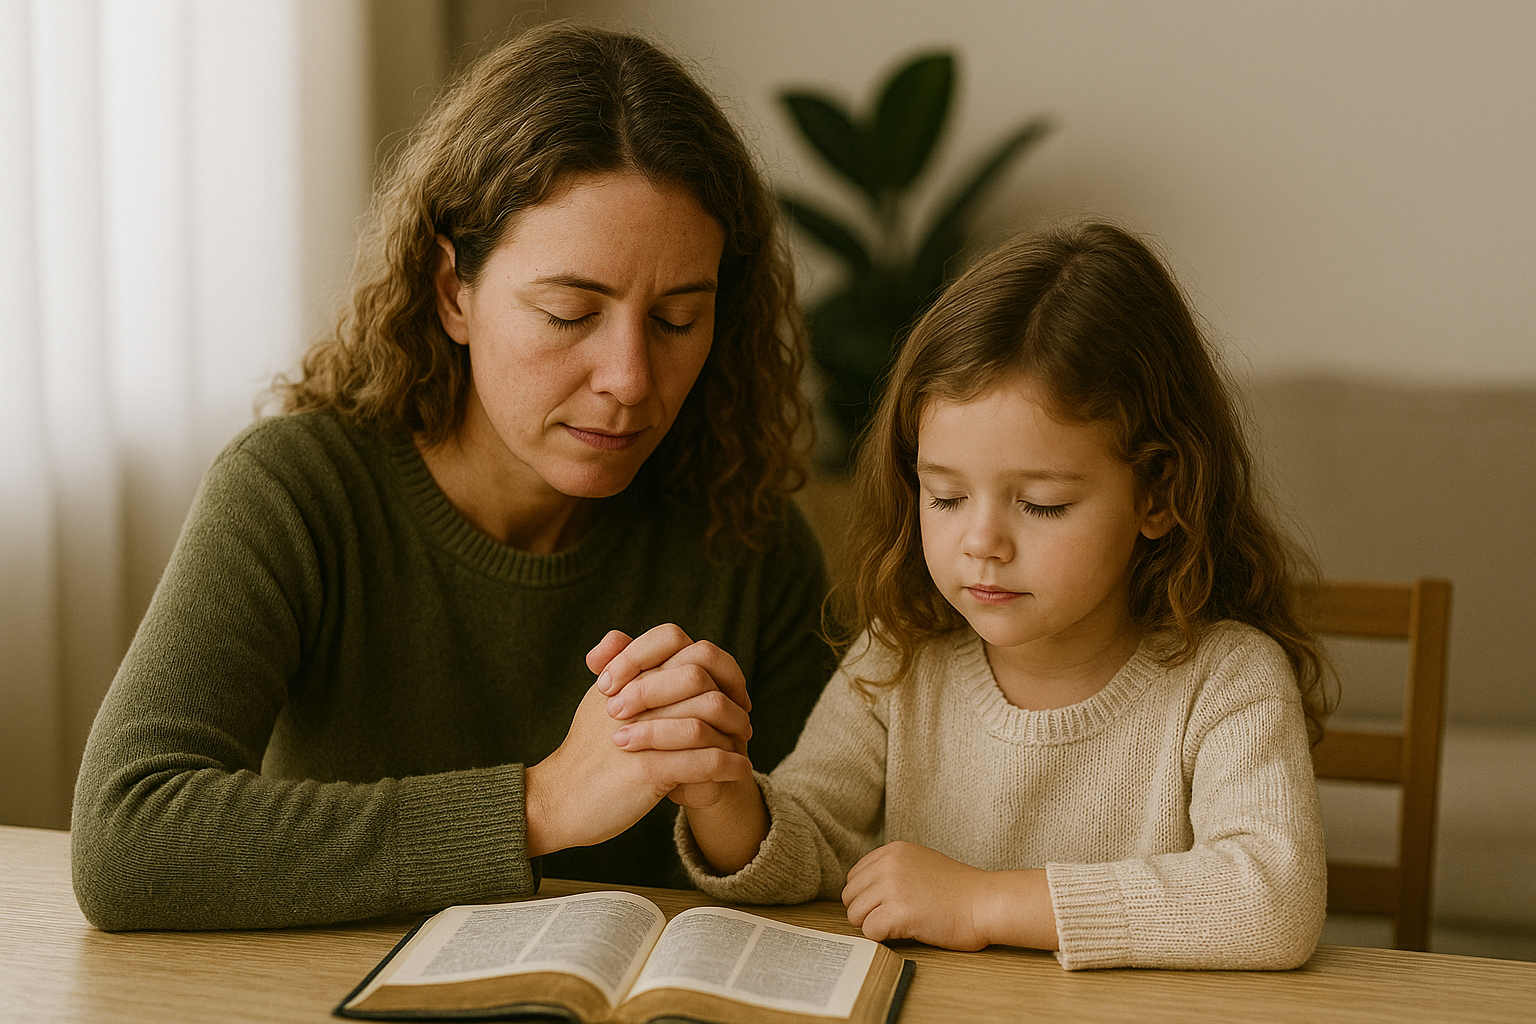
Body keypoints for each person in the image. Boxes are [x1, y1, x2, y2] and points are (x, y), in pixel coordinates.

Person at [69, 23, 833, 931]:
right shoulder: (296, 492)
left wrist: (733, 823)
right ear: (451, 292)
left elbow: (828, 861)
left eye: (675, 321)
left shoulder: (746, 535)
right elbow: (128, 837)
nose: (630, 379)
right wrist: (541, 803)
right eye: (568, 312)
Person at [600, 221, 1332, 970]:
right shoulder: (900, 659)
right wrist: (721, 793)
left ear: (1160, 493)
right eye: (945, 497)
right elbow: (812, 839)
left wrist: (983, 902)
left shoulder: (1228, 679)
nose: (982, 542)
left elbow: (1271, 902)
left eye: (1041, 504)